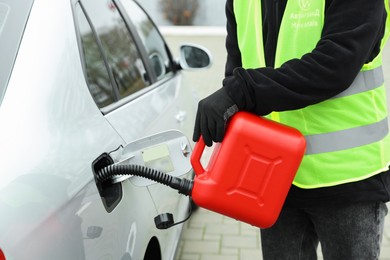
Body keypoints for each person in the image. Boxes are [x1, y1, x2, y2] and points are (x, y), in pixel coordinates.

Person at [192, 0, 390, 259]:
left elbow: (337, 63)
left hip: (347, 177)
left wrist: (241, 91)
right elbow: (238, 71)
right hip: (273, 175)